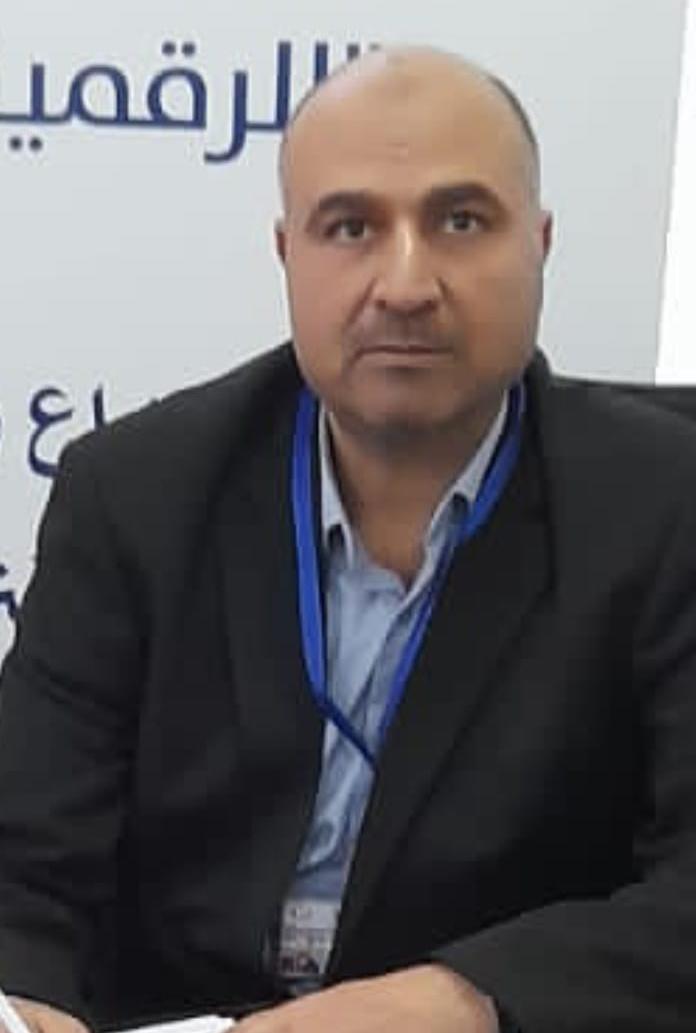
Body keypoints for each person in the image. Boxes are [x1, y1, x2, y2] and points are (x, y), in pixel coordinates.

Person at [1, 45, 695, 1033]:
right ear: (288, 253)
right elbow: (25, 861)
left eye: (461, 220)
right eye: (351, 227)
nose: (405, 283)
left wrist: (468, 999)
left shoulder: (666, 505)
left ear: (540, 244)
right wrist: (25, 1005)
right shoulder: (134, 495)